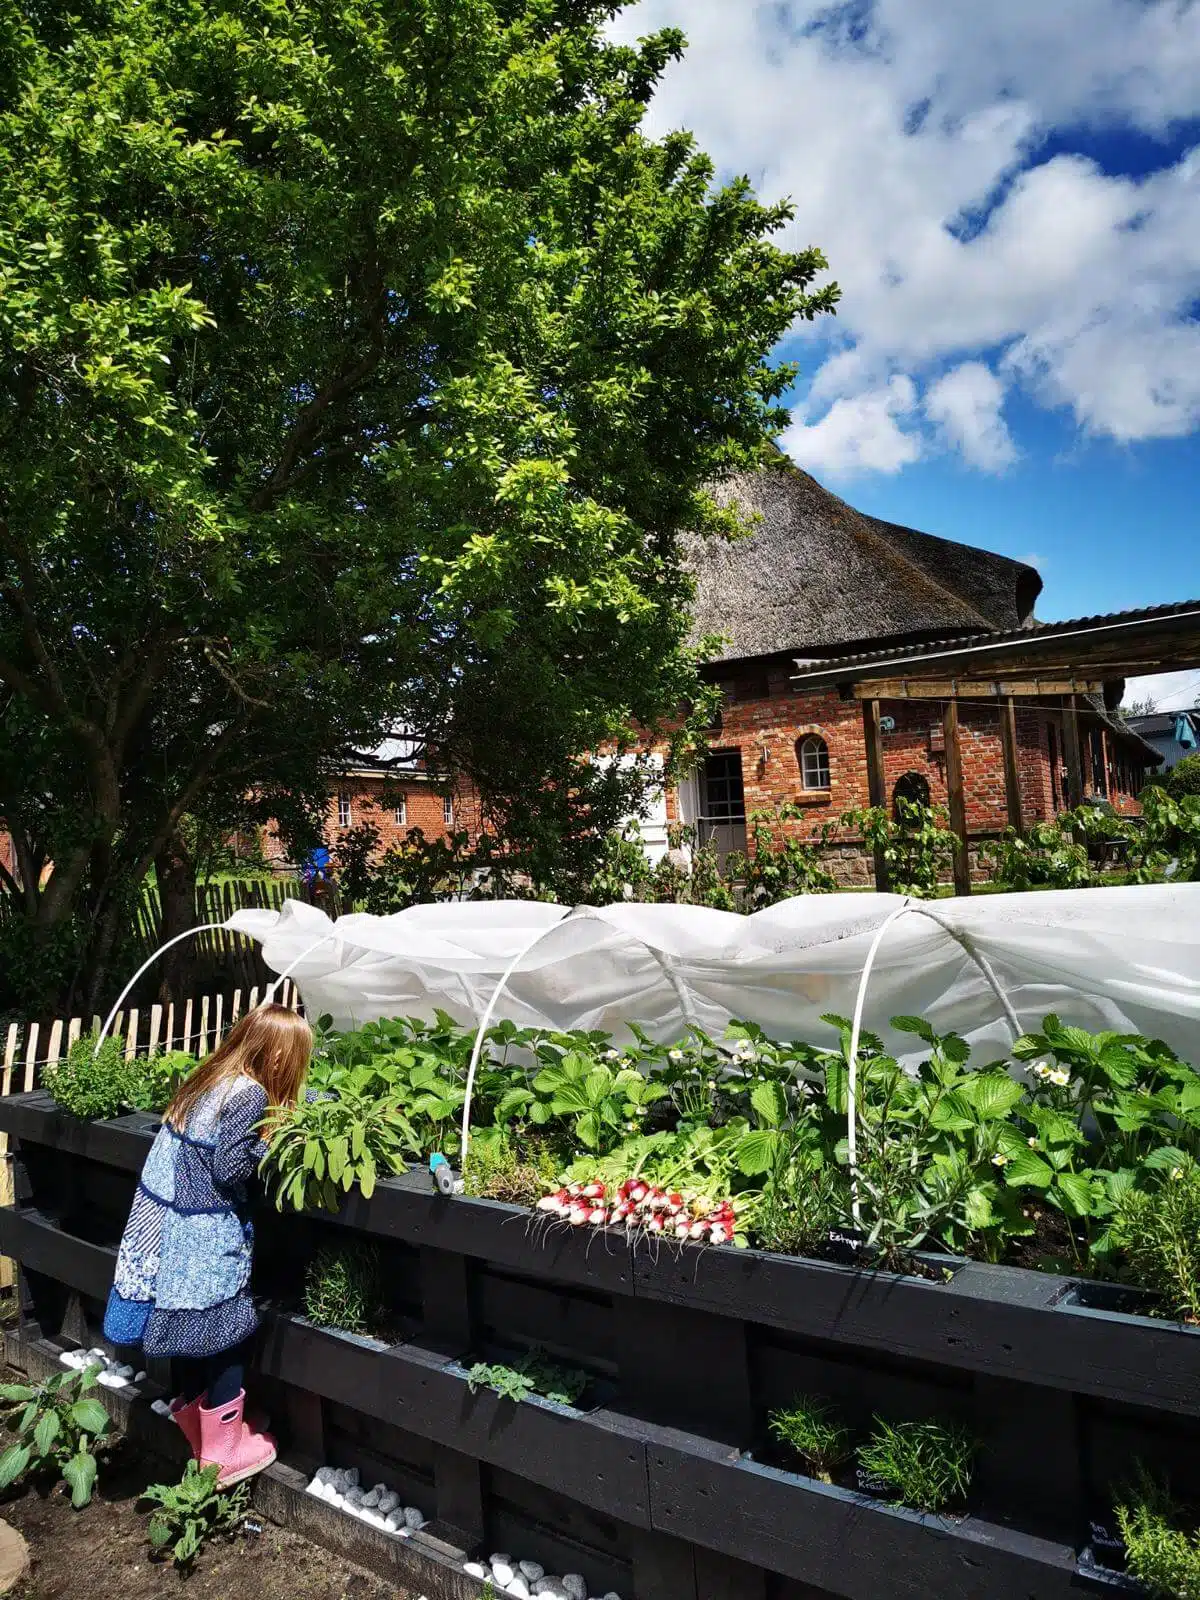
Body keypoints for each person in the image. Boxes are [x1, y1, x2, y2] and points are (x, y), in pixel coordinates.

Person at [103, 1004, 313, 1484]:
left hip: (169, 1223)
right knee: (225, 1336)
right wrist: (276, 1146)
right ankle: (222, 1453)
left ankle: (197, 1426)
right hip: (203, 1234)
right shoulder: (249, 1095)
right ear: (279, 1057)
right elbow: (230, 1168)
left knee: (188, 1332)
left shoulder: (210, 1080)